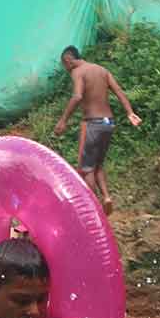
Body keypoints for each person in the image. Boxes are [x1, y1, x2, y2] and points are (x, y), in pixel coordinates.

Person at [53, 46, 142, 211]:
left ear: (68, 60)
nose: (66, 69)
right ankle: (107, 197)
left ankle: (93, 209)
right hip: (108, 123)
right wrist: (130, 113)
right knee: (98, 165)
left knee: (86, 169)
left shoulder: (78, 72)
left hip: (93, 123)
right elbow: (119, 91)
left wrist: (63, 120)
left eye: (64, 65)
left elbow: (78, 96)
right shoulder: (101, 70)